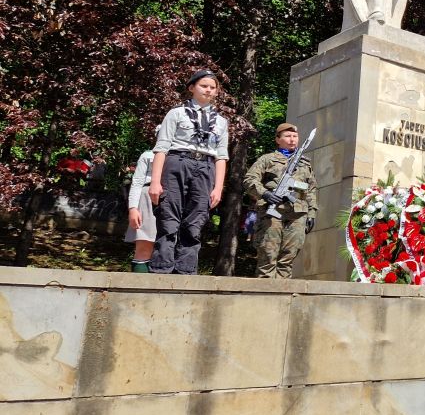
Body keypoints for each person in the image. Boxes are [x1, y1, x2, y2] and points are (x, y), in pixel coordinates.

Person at [147, 70, 229, 274]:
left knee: (196, 220)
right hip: (177, 162)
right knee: (168, 217)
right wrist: (155, 182)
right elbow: (161, 148)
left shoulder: (221, 122)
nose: (208, 90)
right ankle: (161, 269)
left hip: (206, 167)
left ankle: (186, 271)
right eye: (204, 85)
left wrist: (218, 188)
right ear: (192, 88)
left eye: (213, 87)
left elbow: (221, 156)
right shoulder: (176, 113)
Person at [243, 123, 319, 279]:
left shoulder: (304, 163)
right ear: (278, 139)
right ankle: (265, 292)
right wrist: (265, 194)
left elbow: (311, 189)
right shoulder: (267, 159)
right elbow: (249, 180)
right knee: (267, 257)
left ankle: (283, 293)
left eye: (295, 136)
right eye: (287, 136)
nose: (292, 139)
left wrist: (311, 213)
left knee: (288, 259)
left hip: (297, 214)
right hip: (271, 213)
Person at [124, 130, 158, 273]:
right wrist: (133, 208)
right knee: (144, 245)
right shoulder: (147, 156)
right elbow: (137, 182)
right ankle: (138, 284)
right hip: (147, 200)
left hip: (173, 199)